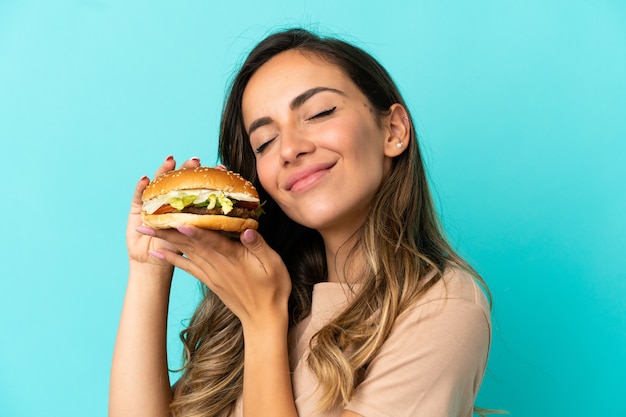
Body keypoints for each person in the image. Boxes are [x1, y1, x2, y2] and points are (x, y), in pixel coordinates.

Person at [110, 28, 492, 417]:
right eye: (265, 142)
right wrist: (149, 268)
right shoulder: (271, 297)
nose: (290, 149)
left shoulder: (444, 306)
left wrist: (262, 322)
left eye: (320, 113)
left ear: (393, 130)